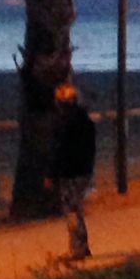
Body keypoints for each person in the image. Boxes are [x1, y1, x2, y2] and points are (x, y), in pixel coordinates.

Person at [49, 82, 96, 262]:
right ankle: (82, 246)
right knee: (77, 208)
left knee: (71, 210)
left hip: (69, 172)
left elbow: (59, 151)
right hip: (84, 171)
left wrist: (51, 174)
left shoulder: (63, 124)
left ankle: (77, 248)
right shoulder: (86, 121)